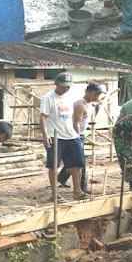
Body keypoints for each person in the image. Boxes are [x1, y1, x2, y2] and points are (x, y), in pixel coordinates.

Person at [40, 73, 89, 202]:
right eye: (63, 86)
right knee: (53, 165)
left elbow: (74, 118)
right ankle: (54, 194)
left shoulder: (71, 97)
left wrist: (77, 134)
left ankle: (77, 191)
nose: (65, 89)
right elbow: (43, 117)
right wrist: (45, 135)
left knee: (78, 163)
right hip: (55, 135)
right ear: (56, 83)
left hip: (71, 135)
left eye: (68, 87)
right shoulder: (48, 98)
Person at [57, 82, 105, 193]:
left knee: (74, 161)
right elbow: (76, 124)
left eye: (99, 94)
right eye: (95, 94)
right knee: (80, 162)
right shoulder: (80, 105)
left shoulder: (90, 103)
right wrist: (77, 140)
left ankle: (62, 178)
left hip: (80, 134)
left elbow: (98, 101)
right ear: (88, 92)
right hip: (75, 134)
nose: (97, 97)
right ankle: (82, 188)